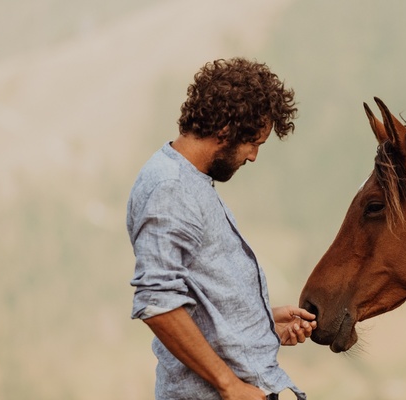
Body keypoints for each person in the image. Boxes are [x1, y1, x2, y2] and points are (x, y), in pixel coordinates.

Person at [127, 57, 316, 400]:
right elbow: (157, 302)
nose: (254, 157)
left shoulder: (191, 182)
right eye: (254, 143)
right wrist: (229, 385)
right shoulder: (170, 189)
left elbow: (199, 297)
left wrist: (263, 323)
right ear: (226, 129)